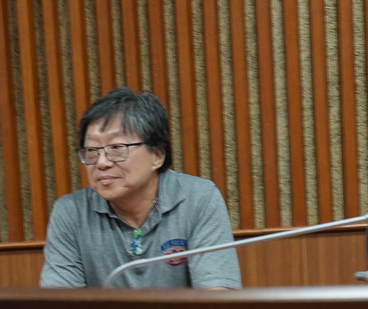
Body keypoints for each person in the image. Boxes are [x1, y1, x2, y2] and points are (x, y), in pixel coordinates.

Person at [40, 87, 241, 289]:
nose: (101, 163)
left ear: (157, 155)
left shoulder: (198, 199)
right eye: (92, 150)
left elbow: (217, 295)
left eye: (116, 148)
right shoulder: (71, 212)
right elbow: (59, 302)